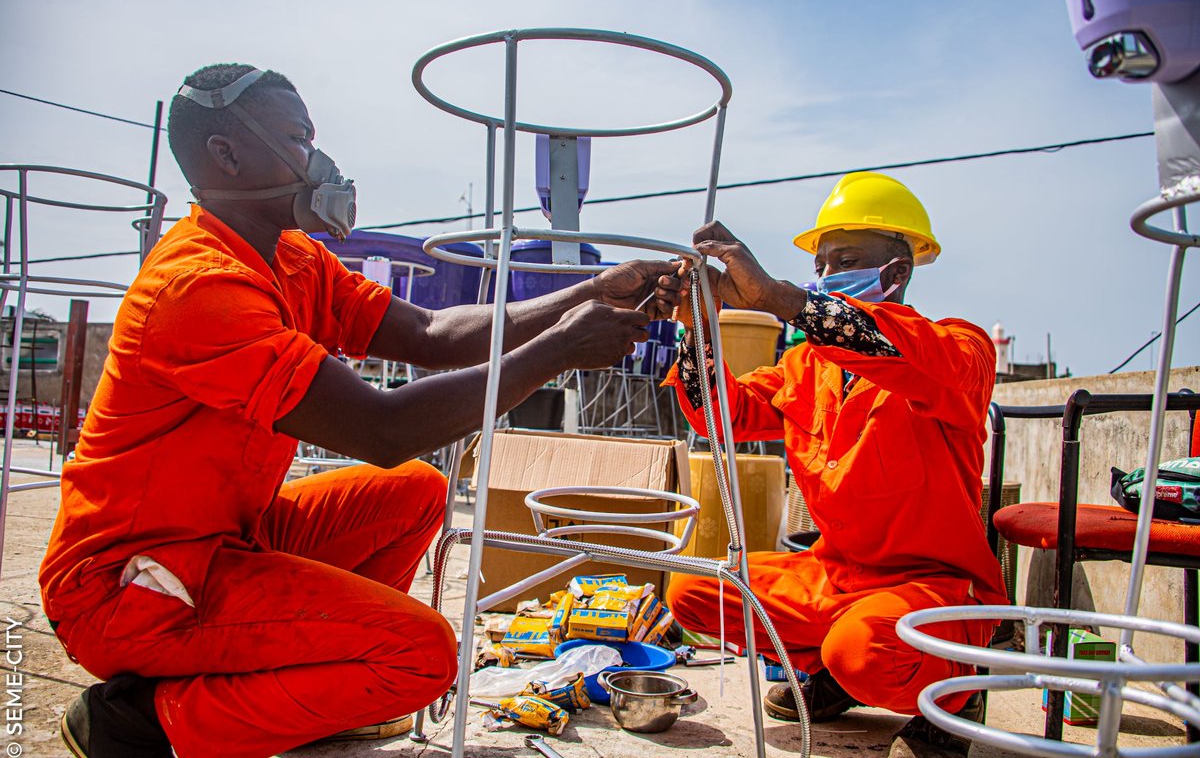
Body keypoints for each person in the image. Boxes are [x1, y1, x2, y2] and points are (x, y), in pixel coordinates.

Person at [39, 63, 683, 758]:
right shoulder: (197, 288)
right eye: (296, 137)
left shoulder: (292, 260)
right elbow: (383, 428)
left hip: (229, 538)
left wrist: (592, 291)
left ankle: (318, 689)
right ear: (225, 154)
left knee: (416, 494)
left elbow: (430, 335)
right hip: (134, 582)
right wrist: (558, 350)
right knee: (423, 656)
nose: (317, 159)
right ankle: (137, 723)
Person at [664, 172, 1006, 758]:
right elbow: (719, 417)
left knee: (865, 649)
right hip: (836, 575)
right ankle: (836, 673)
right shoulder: (807, 365)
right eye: (820, 266)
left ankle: (954, 695)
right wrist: (696, 326)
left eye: (844, 261)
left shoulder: (960, 347)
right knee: (694, 590)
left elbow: (887, 346)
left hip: (931, 586)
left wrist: (778, 297)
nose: (825, 277)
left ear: (896, 274)